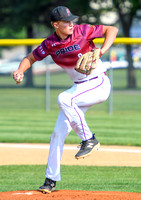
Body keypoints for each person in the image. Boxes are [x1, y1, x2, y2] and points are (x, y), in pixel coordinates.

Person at [13, 6, 118, 194]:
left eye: (71, 20)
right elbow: (30, 58)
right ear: (56, 25)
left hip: (98, 83)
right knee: (57, 133)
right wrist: (20, 71)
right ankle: (50, 180)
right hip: (80, 89)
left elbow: (112, 30)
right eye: (66, 21)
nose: (71, 23)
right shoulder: (50, 44)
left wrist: (102, 50)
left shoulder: (82, 31)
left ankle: (89, 139)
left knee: (64, 98)